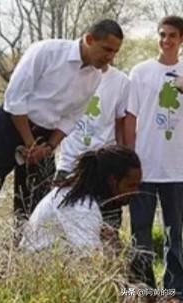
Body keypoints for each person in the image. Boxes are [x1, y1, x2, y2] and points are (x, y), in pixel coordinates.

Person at [0, 19, 124, 230]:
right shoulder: (47, 51)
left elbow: (72, 116)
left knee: (35, 203)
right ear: (89, 39)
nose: (110, 57)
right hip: (10, 126)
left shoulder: (95, 77)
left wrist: (49, 147)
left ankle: (23, 253)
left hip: (45, 139)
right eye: (107, 49)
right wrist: (29, 143)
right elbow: (15, 99)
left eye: (115, 52)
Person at [124, 15, 183, 302]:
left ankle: (174, 291)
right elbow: (130, 116)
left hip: (178, 170)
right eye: (162, 34)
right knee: (140, 233)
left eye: (172, 35)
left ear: (181, 39)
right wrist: (130, 160)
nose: (166, 40)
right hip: (144, 168)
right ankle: (144, 291)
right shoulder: (140, 71)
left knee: (175, 236)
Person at [19, 145, 142, 253]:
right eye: (131, 185)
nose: (136, 191)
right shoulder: (81, 207)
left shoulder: (82, 196)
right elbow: (92, 265)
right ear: (112, 180)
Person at [55, 64, 130, 234]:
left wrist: (123, 162)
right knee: (63, 223)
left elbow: (120, 124)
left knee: (107, 227)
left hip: (105, 166)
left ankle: (104, 261)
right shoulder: (69, 74)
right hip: (70, 163)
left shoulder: (121, 81)